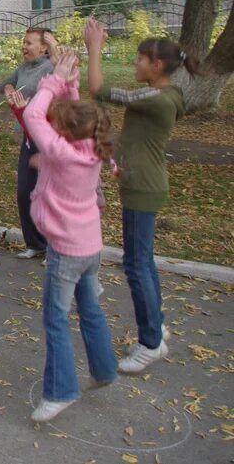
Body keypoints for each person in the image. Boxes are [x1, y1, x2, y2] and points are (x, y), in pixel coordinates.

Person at [85, 19, 193, 373]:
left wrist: (95, 48)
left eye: (139, 59)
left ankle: (150, 343)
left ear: (156, 66)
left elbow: (98, 88)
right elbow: (132, 137)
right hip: (144, 183)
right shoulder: (165, 96)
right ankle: (155, 328)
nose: (135, 64)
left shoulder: (156, 97)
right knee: (142, 262)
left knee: (136, 264)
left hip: (143, 187)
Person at [19, 48, 117, 422]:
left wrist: (54, 80)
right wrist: (71, 84)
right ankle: (105, 369)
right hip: (91, 248)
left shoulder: (60, 151)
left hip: (64, 251)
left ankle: (60, 391)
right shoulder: (91, 144)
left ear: (64, 131)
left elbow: (32, 114)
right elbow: (76, 116)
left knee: (56, 319)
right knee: (90, 309)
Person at [0, 27, 56, 259]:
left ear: (44, 47)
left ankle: (55, 250)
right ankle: (36, 244)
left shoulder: (51, 69)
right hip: (29, 137)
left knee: (48, 195)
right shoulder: (24, 68)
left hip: (48, 138)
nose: (24, 46)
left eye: (29, 43)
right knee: (25, 192)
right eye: (24, 42)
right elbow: (5, 85)